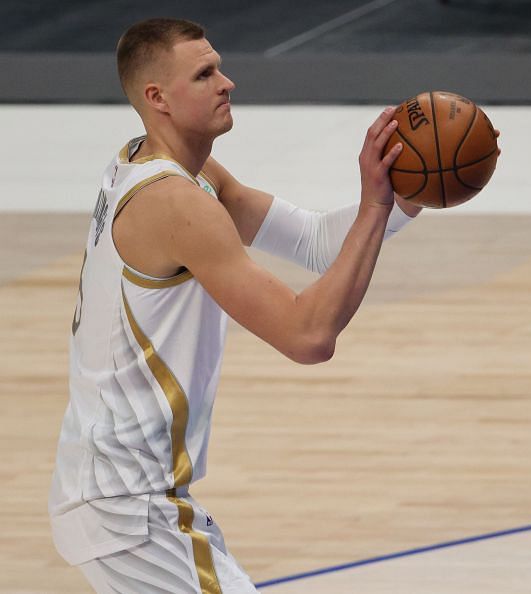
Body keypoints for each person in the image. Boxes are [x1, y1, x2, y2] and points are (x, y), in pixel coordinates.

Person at [47, 17, 422, 593]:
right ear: (158, 98)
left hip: (114, 493)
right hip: (131, 508)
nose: (228, 83)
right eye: (205, 74)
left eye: (218, 66)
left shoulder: (160, 164)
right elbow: (308, 335)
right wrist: (373, 209)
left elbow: (317, 243)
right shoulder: (174, 203)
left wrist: (403, 196)